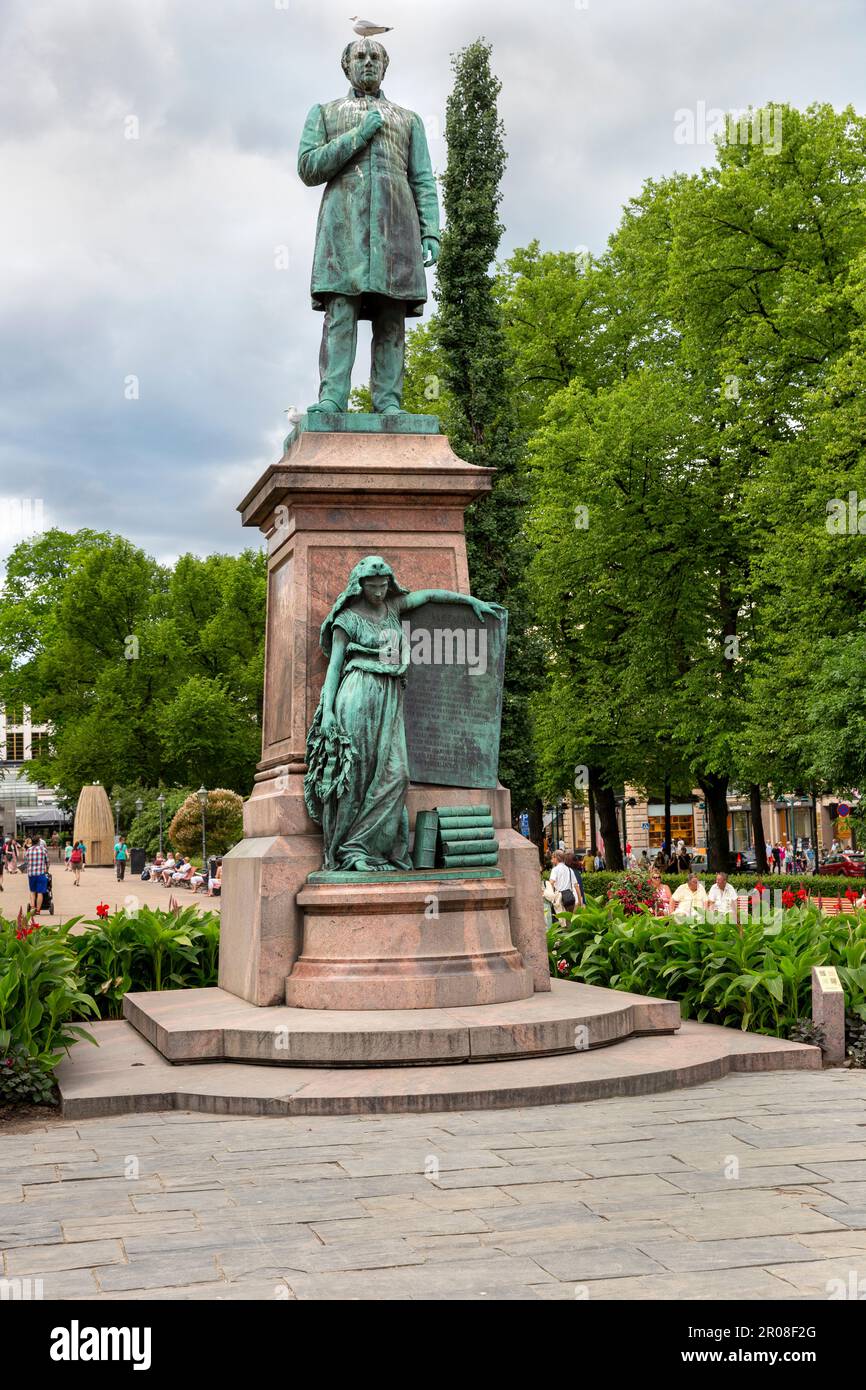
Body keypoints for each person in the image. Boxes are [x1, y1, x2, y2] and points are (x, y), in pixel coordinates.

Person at [305, 555, 500, 871]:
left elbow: (431, 596)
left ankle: (371, 845)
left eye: (384, 586)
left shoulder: (392, 608)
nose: (379, 592)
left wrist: (470, 601)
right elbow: (334, 667)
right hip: (357, 694)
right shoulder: (347, 619)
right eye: (373, 586)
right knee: (356, 774)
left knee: (396, 774)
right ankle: (351, 852)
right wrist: (327, 712)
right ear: (359, 585)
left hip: (390, 696)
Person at [298, 37, 440, 415]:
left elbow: (423, 179)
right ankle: (331, 398)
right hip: (344, 229)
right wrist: (358, 135)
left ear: (384, 66)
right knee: (341, 312)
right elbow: (309, 168)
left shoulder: (408, 120)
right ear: (346, 66)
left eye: (374, 57)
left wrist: (431, 231)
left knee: (391, 316)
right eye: (359, 57)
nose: (367, 62)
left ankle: (389, 402)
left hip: (397, 228)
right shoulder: (325, 113)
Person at [24, 836, 50, 916]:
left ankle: (32, 908)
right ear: (39, 841)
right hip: (41, 873)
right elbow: (47, 862)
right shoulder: (43, 850)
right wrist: (47, 870)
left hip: (31, 874)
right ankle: (38, 910)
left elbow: (26, 862)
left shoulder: (28, 850)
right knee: (40, 892)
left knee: (32, 891)